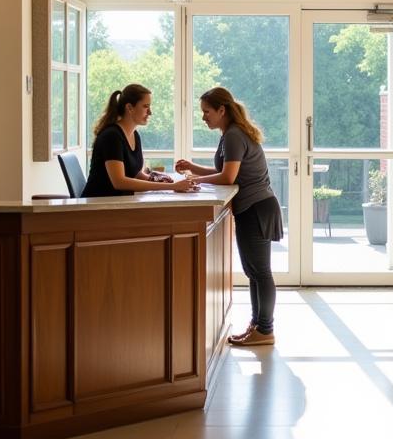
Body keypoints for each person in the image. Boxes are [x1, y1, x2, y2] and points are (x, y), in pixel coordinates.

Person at [176, 87, 283, 347]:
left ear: (221, 110)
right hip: (254, 208)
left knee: (260, 272)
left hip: (257, 209)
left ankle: (265, 330)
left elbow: (227, 177)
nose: (204, 117)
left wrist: (194, 180)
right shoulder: (231, 134)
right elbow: (224, 170)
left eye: (206, 112)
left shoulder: (234, 135)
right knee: (254, 271)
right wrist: (193, 168)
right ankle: (257, 326)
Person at [82, 84, 199, 197]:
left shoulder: (134, 135)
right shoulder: (112, 136)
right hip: (98, 206)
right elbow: (119, 182)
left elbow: (137, 174)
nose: (150, 112)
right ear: (129, 108)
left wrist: (162, 180)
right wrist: (172, 186)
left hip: (119, 202)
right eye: (145, 106)